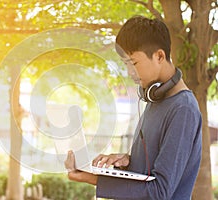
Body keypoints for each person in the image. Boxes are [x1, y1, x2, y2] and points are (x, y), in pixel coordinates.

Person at [64, 15, 202, 200]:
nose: (130, 73)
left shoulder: (183, 109)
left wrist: (94, 179)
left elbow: (160, 192)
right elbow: (151, 169)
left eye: (134, 63)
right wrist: (128, 163)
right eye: (125, 65)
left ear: (159, 56)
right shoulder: (156, 98)